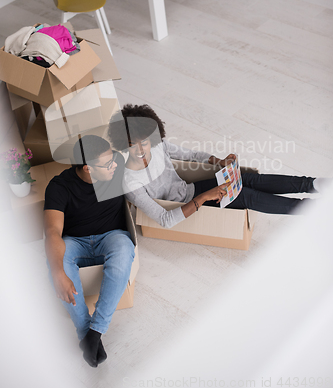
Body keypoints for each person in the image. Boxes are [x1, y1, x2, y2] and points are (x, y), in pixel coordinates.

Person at [108, 104, 328, 229]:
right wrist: (205, 198)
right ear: (122, 145)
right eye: (131, 145)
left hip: (191, 190)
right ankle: (309, 209)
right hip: (187, 207)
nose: (140, 150)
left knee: (247, 178)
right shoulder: (130, 183)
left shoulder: (157, 145)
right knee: (245, 195)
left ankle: (313, 184)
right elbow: (165, 220)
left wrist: (219, 162)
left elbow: (192, 155)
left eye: (144, 142)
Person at [44, 135, 135, 368]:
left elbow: (155, 154)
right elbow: (53, 231)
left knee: (125, 249)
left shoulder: (116, 167)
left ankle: (95, 332)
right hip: (75, 241)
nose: (114, 165)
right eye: (107, 164)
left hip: (111, 235)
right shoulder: (58, 186)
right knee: (57, 263)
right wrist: (58, 274)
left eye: (113, 159)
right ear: (87, 168)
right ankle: (85, 330)